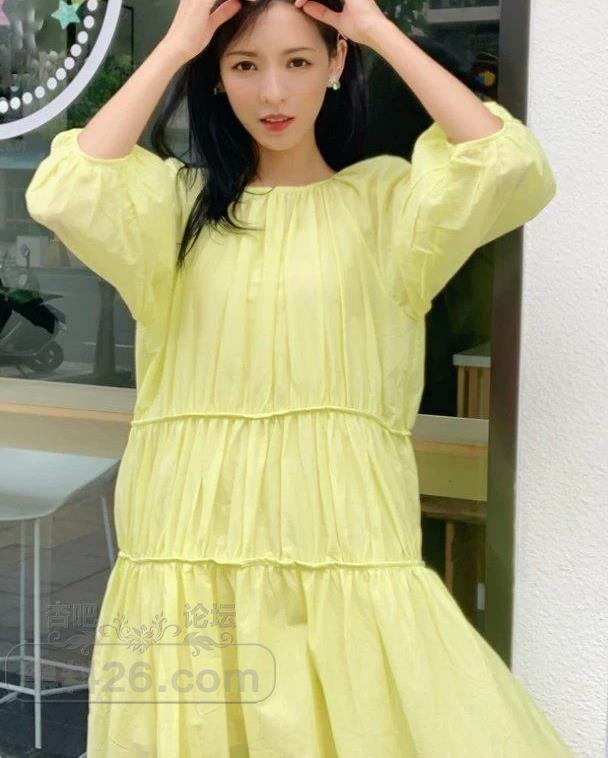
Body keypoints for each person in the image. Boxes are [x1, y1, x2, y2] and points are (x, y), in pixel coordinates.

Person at [25, 0, 570, 754]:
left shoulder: (387, 206)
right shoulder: (174, 210)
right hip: (189, 540)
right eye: (245, 65)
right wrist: (179, 43)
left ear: (334, 65)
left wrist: (374, 29)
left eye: (299, 62)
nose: (273, 93)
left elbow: (505, 164)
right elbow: (67, 188)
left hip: (345, 541)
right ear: (218, 78)